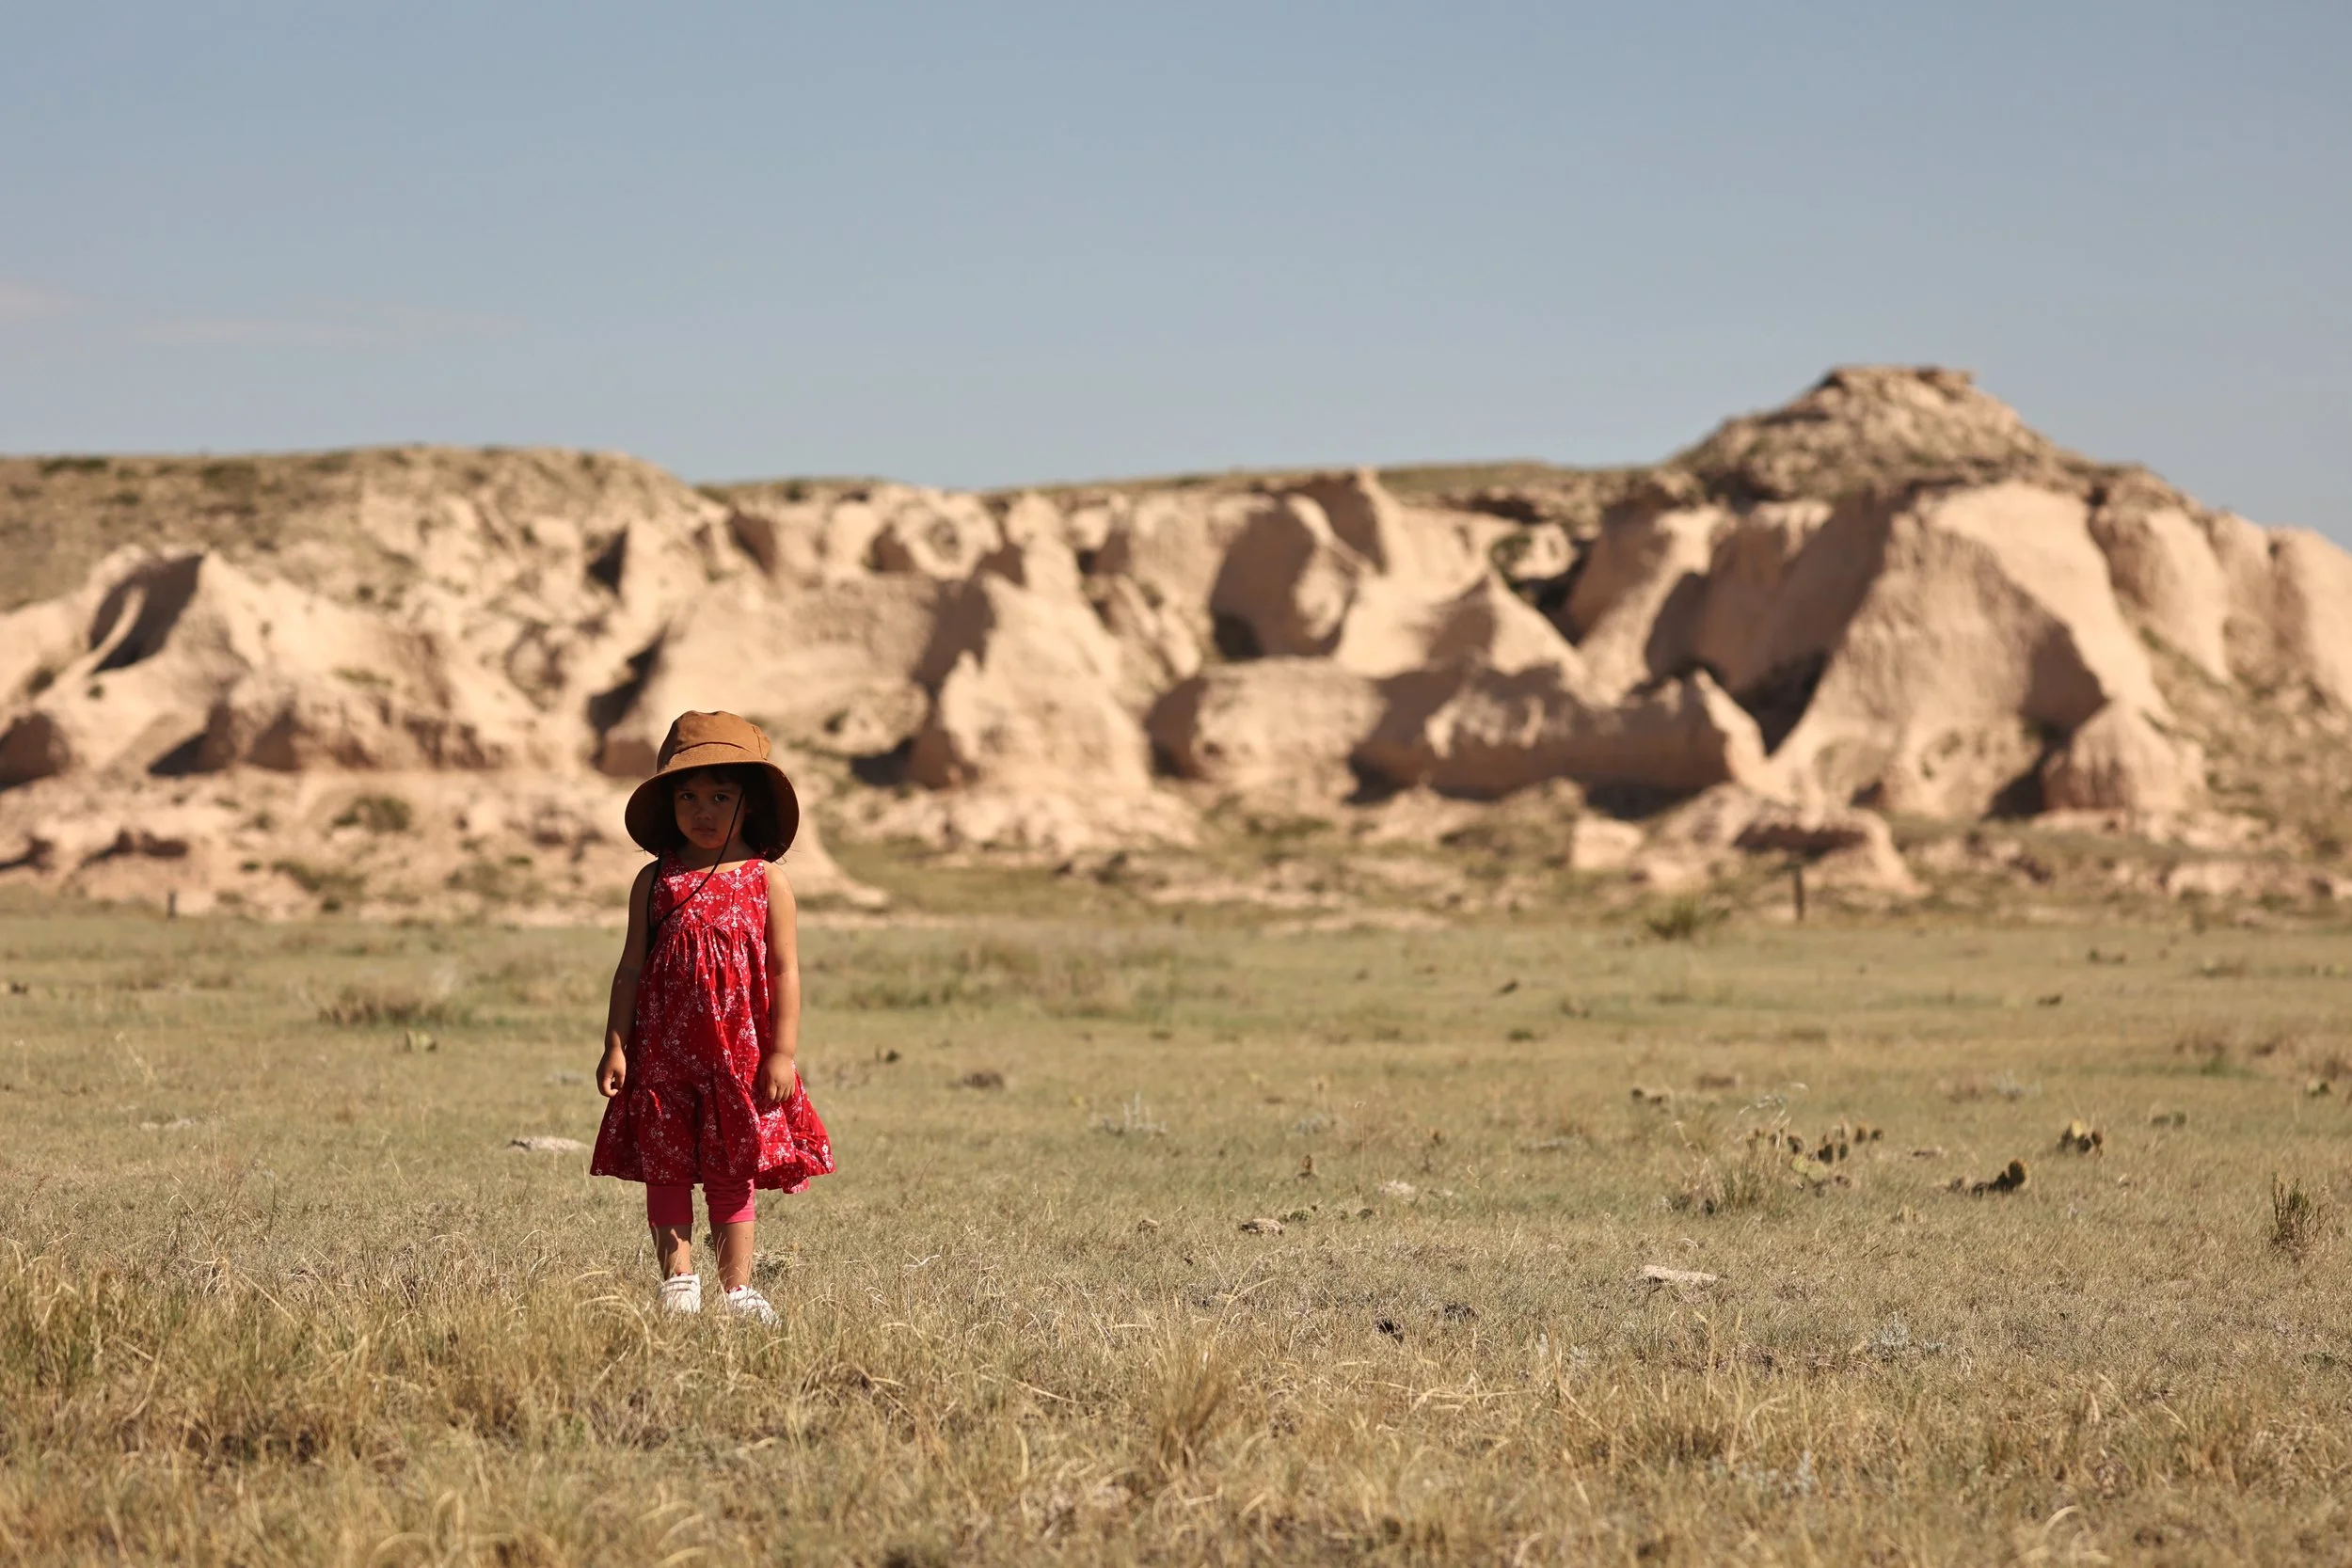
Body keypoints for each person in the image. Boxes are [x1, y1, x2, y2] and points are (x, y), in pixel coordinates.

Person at [590, 711, 834, 1321]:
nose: (703, 809)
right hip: (665, 1057)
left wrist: (782, 1051)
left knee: (732, 1172)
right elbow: (630, 968)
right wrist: (617, 1043)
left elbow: (785, 970)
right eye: (688, 795)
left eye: (720, 795)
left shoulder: (767, 881)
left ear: (747, 804)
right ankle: (678, 1281)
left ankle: (736, 1288)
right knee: (666, 1167)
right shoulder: (655, 881)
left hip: (738, 1057)